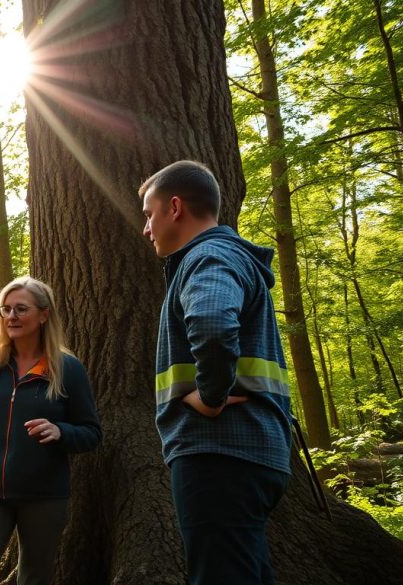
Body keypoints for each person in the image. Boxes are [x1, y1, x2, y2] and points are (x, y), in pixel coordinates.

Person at [139, 160, 293, 585]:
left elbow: (210, 322)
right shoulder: (225, 257)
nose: (146, 229)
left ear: (174, 207)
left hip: (221, 452)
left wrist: (209, 396)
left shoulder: (207, 257)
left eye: (149, 215)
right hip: (248, 452)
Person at [0, 277, 102, 585]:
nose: (11, 316)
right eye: (5, 310)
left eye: (21, 309)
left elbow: (91, 432)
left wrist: (60, 431)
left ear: (43, 315)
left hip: (45, 496)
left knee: (34, 578)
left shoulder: (67, 369)